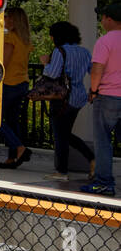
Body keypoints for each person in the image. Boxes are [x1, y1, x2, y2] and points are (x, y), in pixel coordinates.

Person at [41, 21, 94, 182]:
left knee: (60, 135)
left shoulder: (60, 51)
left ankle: (63, 171)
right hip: (78, 98)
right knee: (64, 134)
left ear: (57, 36)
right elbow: (93, 71)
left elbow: (52, 74)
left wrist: (45, 63)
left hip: (61, 98)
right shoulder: (84, 52)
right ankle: (92, 160)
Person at [84, 3, 121, 196]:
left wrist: (93, 90)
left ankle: (104, 183)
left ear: (108, 18)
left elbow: (97, 68)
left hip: (107, 97)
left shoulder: (105, 41)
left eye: (103, 17)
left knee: (103, 141)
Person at [0, 6, 33, 168]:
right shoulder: (25, 40)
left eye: (6, 17)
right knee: (12, 121)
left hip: (8, 83)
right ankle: (12, 158)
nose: (3, 20)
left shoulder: (10, 38)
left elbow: (3, 63)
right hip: (23, 83)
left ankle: (19, 147)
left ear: (12, 20)